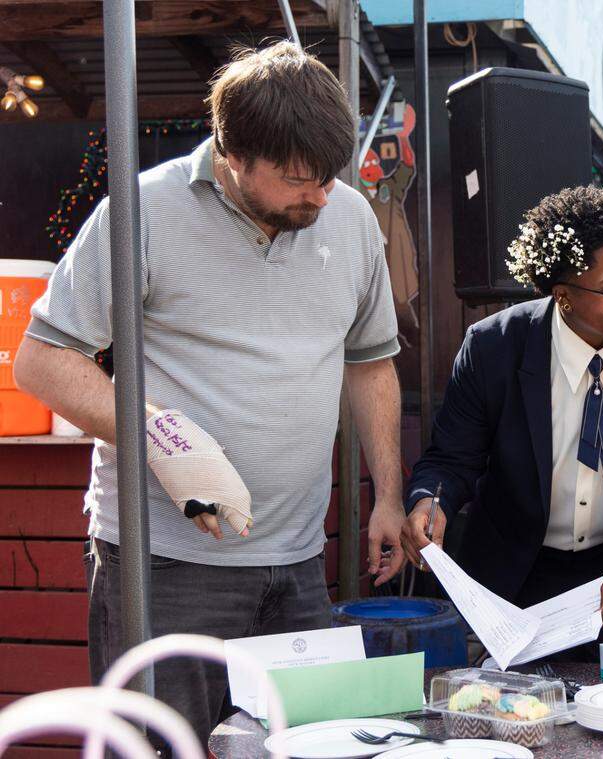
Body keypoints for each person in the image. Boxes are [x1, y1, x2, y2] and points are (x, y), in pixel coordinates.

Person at [13, 42, 408, 749]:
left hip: (298, 559)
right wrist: (161, 435)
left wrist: (388, 494)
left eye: (329, 176)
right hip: (165, 565)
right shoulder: (142, 210)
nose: (320, 197)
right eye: (298, 179)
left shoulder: (348, 219)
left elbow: (371, 363)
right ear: (233, 154)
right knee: (164, 748)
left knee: (302, 748)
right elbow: (42, 361)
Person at [400, 186, 603, 650]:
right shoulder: (493, 348)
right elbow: (451, 461)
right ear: (564, 297)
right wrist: (428, 504)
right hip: (515, 583)